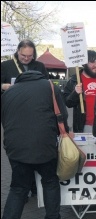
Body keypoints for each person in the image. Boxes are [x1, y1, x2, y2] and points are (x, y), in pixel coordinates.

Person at [1, 70, 69, 219]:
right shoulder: (50, 87)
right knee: (50, 182)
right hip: (44, 145)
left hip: (15, 147)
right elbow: (62, 115)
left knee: (18, 187)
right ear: (42, 75)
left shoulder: (9, 92)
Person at [1, 39, 49, 199]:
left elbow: (47, 85)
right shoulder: (6, 66)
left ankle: (34, 186)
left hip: (35, 115)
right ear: (18, 52)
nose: (26, 59)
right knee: (18, 151)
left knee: (35, 150)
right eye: (23, 55)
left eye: (29, 56)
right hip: (13, 117)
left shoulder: (39, 66)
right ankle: (22, 184)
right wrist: (3, 86)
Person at [63, 50, 96, 133]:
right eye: (92, 62)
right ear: (84, 64)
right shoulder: (74, 80)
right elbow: (67, 103)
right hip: (85, 126)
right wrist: (75, 93)